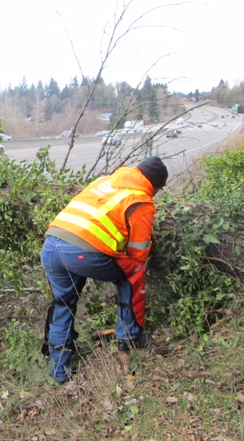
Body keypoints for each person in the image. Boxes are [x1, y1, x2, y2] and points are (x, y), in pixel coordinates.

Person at [40, 156, 168, 384]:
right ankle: (129, 341)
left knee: (63, 305)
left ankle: (60, 374)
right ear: (155, 185)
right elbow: (138, 254)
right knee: (131, 277)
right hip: (80, 254)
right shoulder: (141, 201)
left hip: (51, 246)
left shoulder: (104, 181)